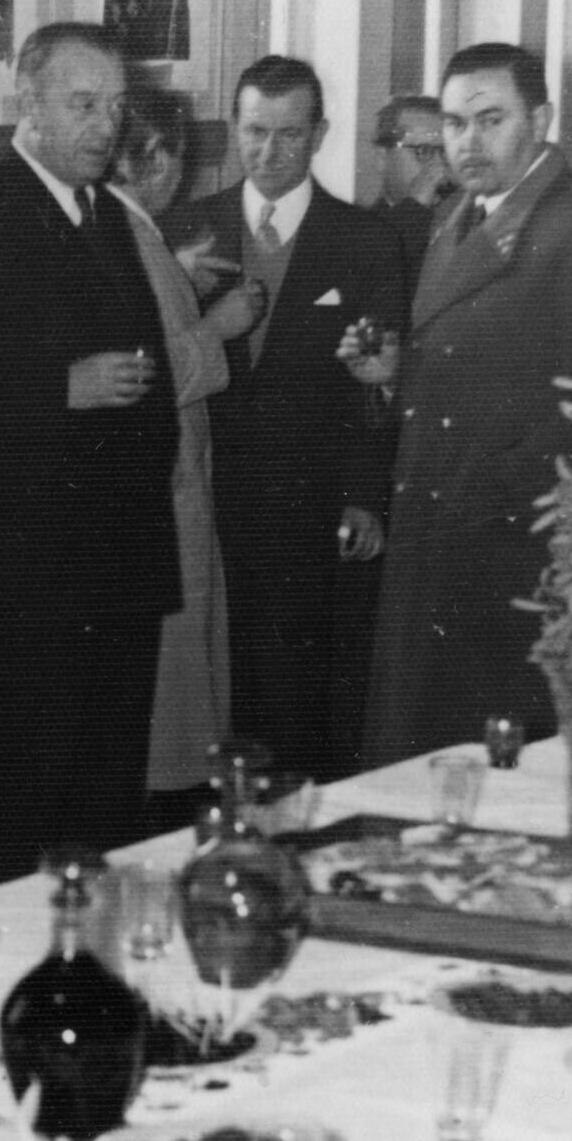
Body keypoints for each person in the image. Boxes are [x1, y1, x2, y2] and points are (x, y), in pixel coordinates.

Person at [0, 22, 179, 883]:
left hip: (119, 565)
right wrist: (57, 388)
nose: (107, 126)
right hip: (26, 575)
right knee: (12, 812)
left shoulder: (103, 213)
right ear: (27, 102)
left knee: (104, 811)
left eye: (117, 107)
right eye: (83, 104)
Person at [347, 42, 572, 766]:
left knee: (497, 775)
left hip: (516, 558)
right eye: (455, 124)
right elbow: (462, 373)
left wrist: (501, 487)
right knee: (423, 768)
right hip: (437, 536)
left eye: (491, 121)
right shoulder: (456, 217)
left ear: (542, 120)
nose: (468, 142)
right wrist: (395, 376)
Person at [168, 56, 407, 780]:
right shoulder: (189, 230)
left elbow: (378, 381)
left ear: (320, 134)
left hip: (311, 510)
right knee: (212, 696)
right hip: (208, 503)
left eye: (289, 135)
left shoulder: (365, 241)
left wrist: (364, 495)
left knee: (299, 703)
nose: (268, 153)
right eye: (253, 133)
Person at [107, 91, 268, 805]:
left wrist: (179, 274)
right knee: (174, 694)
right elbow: (141, 376)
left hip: (162, 490)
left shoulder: (132, 234)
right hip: (165, 494)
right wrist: (221, 326)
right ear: (160, 161)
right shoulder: (131, 237)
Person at [372, 94, 453, 280]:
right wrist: (414, 209)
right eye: (423, 151)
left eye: (446, 152)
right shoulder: (354, 231)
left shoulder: (468, 219)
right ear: (382, 158)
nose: (439, 166)